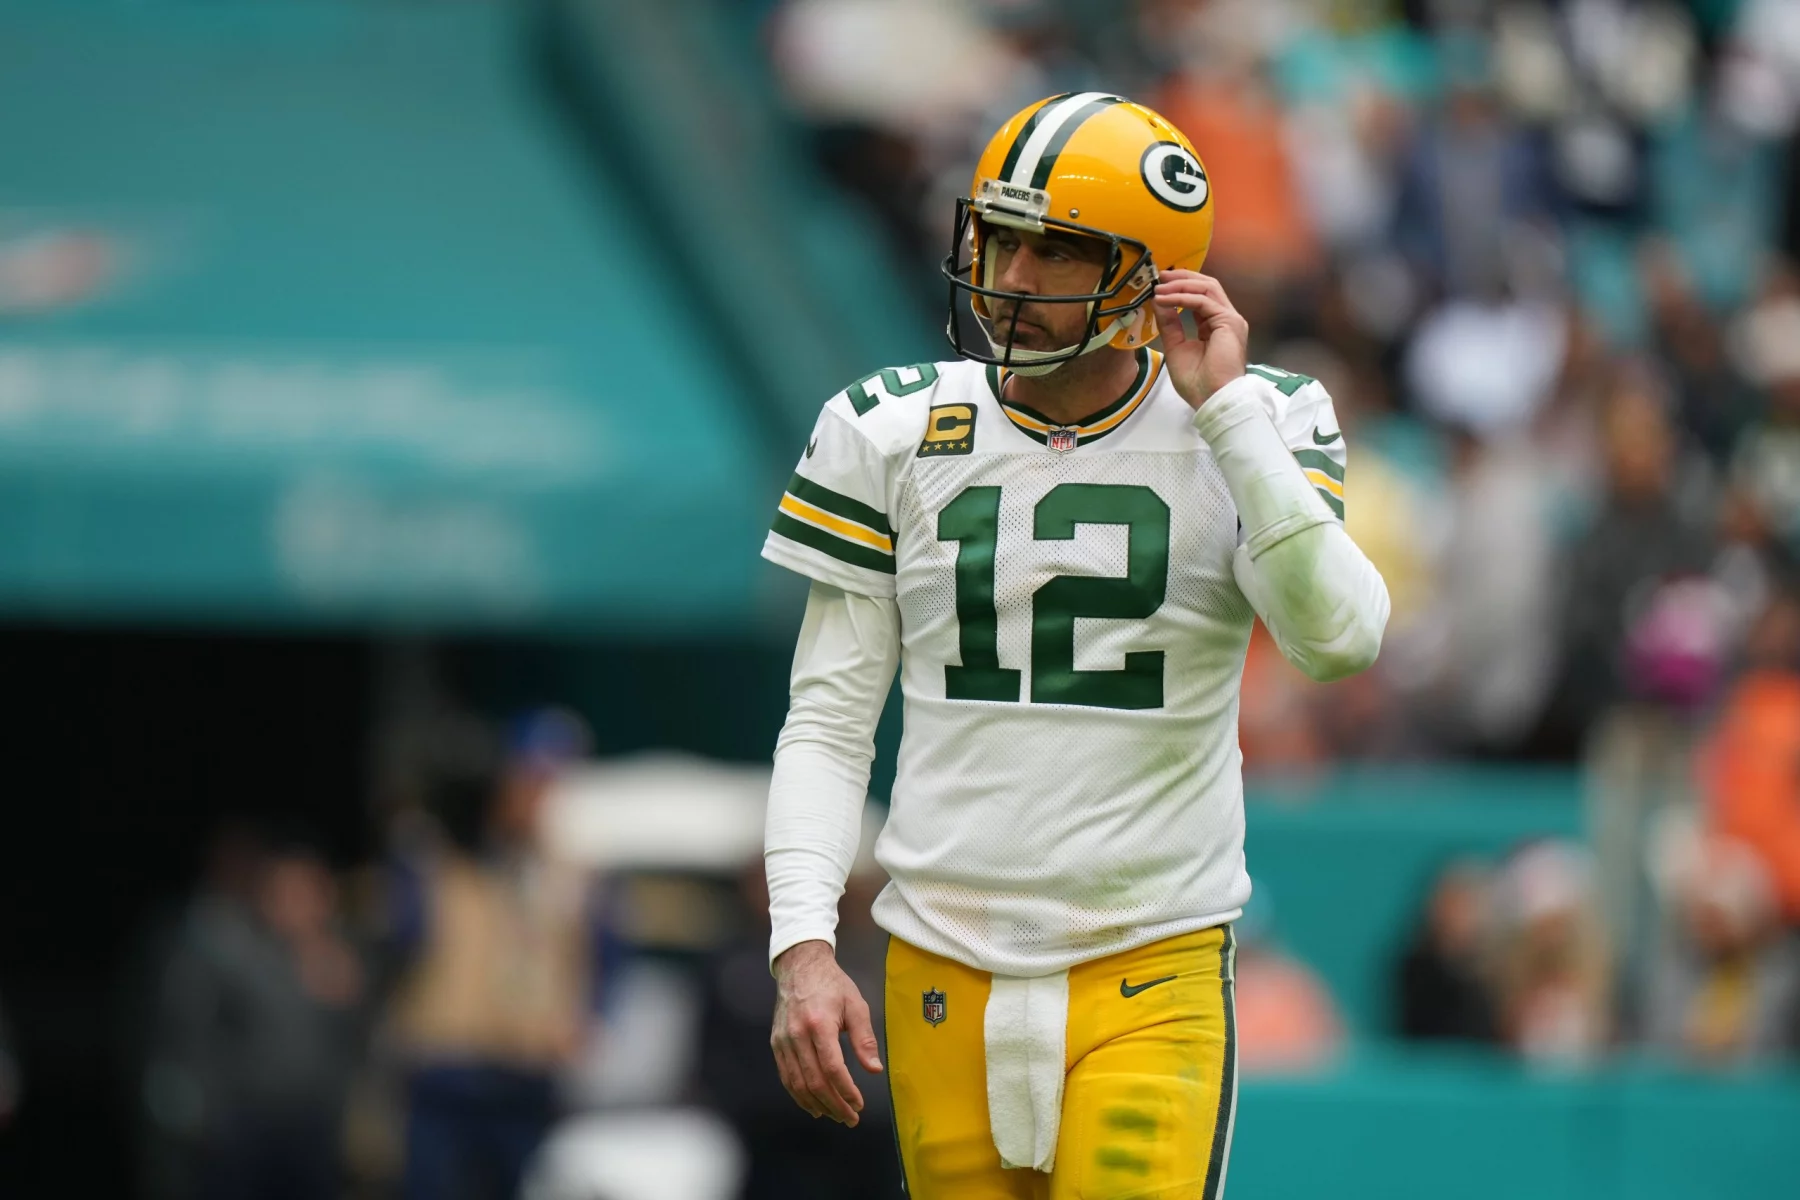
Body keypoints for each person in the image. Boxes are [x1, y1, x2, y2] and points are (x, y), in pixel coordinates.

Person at [760, 94, 1390, 1198]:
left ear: (1156, 276)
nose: (1012, 276)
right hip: (940, 964)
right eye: (1000, 238)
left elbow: (1338, 639)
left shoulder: (1260, 419)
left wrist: (1227, 417)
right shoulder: (890, 430)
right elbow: (826, 720)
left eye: (1056, 254)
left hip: (1147, 960)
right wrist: (804, 943)